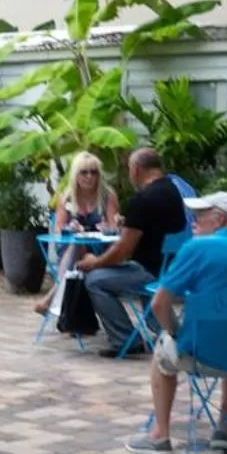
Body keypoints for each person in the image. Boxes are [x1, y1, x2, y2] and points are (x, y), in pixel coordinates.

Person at [124, 192, 227, 454]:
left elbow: (159, 304)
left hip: (199, 355)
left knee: (162, 352)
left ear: (219, 219)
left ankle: (160, 436)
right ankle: (224, 429)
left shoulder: (197, 249)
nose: (191, 223)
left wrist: (174, 332)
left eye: (197, 217)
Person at [73, 147, 188, 354]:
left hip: (149, 271)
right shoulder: (173, 191)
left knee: (94, 280)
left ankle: (124, 339)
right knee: (135, 279)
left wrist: (95, 262)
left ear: (135, 169)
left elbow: (123, 250)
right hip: (171, 267)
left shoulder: (142, 200)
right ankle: (170, 331)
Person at [35, 150, 121, 315]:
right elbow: (59, 229)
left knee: (78, 248)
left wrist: (108, 227)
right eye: (84, 172)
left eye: (93, 172)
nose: (89, 177)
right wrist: (71, 228)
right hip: (70, 249)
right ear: (76, 175)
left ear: (99, 175)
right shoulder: (66, 197)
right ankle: (69, 311)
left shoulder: (107, 196)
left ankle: (52, 297)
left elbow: (114, 228)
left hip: (99, 251)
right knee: (76, 244)